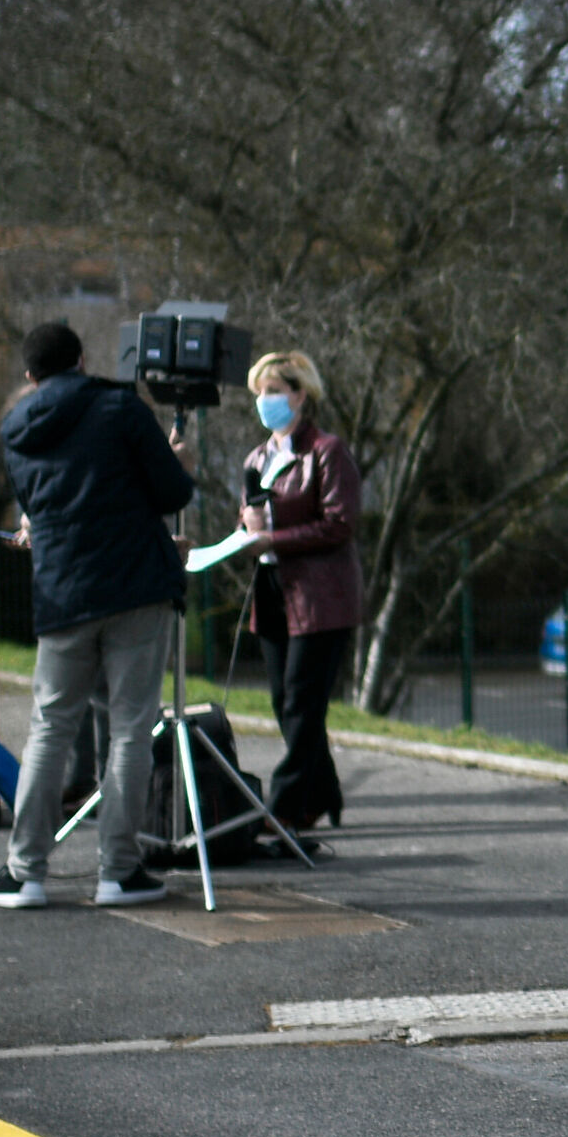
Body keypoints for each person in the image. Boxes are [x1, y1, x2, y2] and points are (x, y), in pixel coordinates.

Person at [0, 320, 197, 910]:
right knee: (130, 730)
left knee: (50, 728)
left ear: (30, 375)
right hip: (136, 588)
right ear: (81, 359)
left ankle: (25, 872)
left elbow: (36, 507)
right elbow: (173, 493)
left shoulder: (16, 426)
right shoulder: (120, 407)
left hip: (63, 593)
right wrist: (179, 460)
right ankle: (118, 871)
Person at [235, 349, 363, 833]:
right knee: (282, 702)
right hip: (271, 591)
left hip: (319, 596)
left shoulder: (327, 451)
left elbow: (340, 524)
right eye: (259, 393)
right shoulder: (257, 457)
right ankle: (322, 793)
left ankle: (286, 806)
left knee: (302, 704)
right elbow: (250, 523)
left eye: (273, 391)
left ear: (300, 395)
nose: (263, 401)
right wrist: (245, 533)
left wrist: (274, 540)